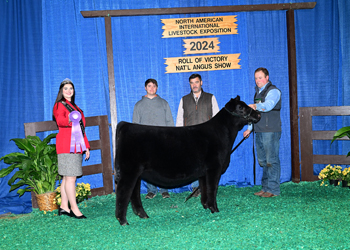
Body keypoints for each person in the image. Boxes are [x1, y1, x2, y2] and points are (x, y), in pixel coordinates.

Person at [176, 73, 220, 197]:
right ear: (189, 84)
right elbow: (180, 118)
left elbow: (217, 117)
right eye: (192, 83)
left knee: (208, 162)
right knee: (193, 164)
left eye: (196, 82)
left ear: (201, 83)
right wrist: (179, 136)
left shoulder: (211, 97)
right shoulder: (184, 99)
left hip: (208, 137)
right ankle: (196, 188)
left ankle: (206, 186)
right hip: (189, 137)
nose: (194, 85)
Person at [53, 78, 90, 218]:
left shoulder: (77, 108)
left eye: (71, 88)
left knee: (67, 178)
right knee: (71, 178)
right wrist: (70, 117)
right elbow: (60, 121)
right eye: (66, 89)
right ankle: (74, 208)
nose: (69, 91)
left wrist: (86, 146)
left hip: (76, 145)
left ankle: (63, 206)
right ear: (61, 91)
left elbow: (81, 129)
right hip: (66, 145)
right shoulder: (59, 105)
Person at [243, 67, 282, 198]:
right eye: (256, 78)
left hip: (270, 130)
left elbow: (269, 105)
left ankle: (274, 189)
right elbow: (254, 115)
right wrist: (249, 128)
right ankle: (265, 188)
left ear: (267, 77)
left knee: (271, 160)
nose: (258, 80)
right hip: (259, 130)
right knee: (263, 161)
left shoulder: (274, 91)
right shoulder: (258, 93)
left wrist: (255, 106)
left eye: (260, 77)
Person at [133, 78, 174, 199]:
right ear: (145, 88)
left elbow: (169, 122)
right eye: (149, 86)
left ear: (157, 88)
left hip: (162, 140)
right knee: (148, 167)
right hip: (146, 141)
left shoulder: (164, 103)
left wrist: (171, 138)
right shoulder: (138, 105)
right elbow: (135, 124)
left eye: (154, 86)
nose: (152, 88)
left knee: (163, 165)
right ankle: (151, 190)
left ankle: (164, 189)